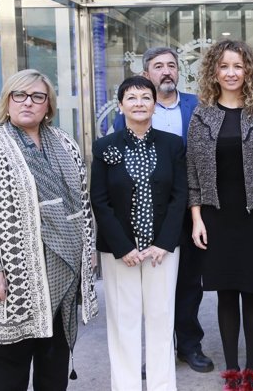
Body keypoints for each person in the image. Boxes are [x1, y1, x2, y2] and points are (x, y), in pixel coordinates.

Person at [0, 69, 98, 391]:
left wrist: (88, 253)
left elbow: (83, 206)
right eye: (20, 95)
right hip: (13, 274)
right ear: (7, 101)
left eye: (37, 96)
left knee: (54, 359)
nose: (28, 102)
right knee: (10, 363)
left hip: (62, 272)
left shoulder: (65, 143)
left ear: (48, 105)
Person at [187, 39, 253, 391]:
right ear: (214, 71)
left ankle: (251, 373)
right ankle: (232, 373)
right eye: (224, 66)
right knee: (226, 295)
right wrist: (196, 219)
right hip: (216, 217)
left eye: (238, 66)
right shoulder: (201, 115)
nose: (231, 73)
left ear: (248, 71)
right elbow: (193, 174)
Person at [115, 47, 213, 373]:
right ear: (146, 74)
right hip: (148, 212)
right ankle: (160, 350)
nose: (166, 71)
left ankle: (189, 345)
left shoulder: (197, 106)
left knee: (189, 282)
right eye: (158, 66)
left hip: (191, 209)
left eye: (172, 65)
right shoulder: (131, 112)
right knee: (152, 286)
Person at [91, 76, 187, 391]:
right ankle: (126, 385)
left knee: (161, 320)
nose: (139, 103)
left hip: (161, 249)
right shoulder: (105, 146)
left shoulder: (172, 144)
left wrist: (164, 243)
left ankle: (162, 385)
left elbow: (179, 196)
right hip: (121, 252)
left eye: (145, 97)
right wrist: (122, 248)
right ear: (121, 105)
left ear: (154, 103)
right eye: (131, 98)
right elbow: (100, 201)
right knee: (123, 322)